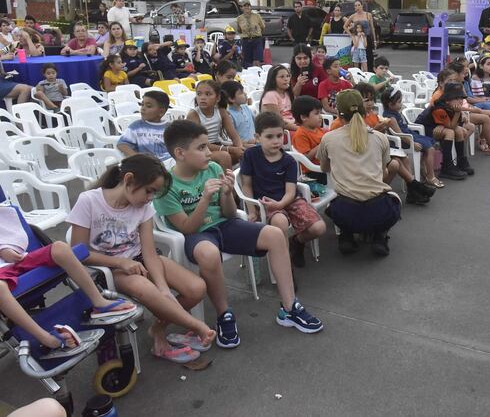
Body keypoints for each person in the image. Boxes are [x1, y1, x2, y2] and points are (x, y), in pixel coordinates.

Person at [154, 120, 323, 347]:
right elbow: (186, 228)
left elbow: (230, 214)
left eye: (207, 146)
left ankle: (289, 307)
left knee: (274, 234)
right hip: (196, 235)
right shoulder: (167, 186)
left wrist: (226, 194)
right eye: (202, 147)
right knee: (209, 253)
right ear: (180, 153)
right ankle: (224, 314)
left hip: (225, 225)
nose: (209, 152)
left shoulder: (212, 169)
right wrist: (204, 199)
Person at [69, 154, 215, 363]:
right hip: (107, 268)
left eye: (154, 193)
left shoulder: (143, 207)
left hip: (138, 260)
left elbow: (149, 252)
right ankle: (196, 326)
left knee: (196, 288)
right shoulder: (90, 201)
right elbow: (78, 252)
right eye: (149, 190)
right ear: (129, 180)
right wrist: (121, 262)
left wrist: (164, 288)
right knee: (145, 288)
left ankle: (157, 329)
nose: (150, 197)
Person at [0, 206, 136, 359]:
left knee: (60, 248)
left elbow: (6, 230)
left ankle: (99, 302)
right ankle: (47, 339)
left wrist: (5, 247)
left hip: (16, 260)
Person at [318, 90, 402, 256]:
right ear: (365, 112)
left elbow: (324, 168)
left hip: (345, 211)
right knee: (395, 200)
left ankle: (346, 236)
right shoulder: (379, 137)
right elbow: (385, 170)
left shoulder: (328, 138)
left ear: (339, 115)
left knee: (332, 205)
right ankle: (380, 236)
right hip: (379, 211)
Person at [241, 112, 327, 269]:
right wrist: (252, 211)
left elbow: (290, 192)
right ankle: (286, 267)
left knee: (319, 228)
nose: (276, 141)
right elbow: (246, 184)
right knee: (280, 222)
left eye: (279, 136)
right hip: (265, 203)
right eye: (269, 137)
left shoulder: (288, 160)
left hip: (288, 200)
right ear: (258, 137)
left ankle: (297, 242)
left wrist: (280, 204)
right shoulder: (250, 155)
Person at [381, 87, 441, 189]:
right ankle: (430, 176)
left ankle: (424, 170)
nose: (401, 104)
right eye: (399, 102)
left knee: (429, 142)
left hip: (409, 134)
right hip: (403, 140)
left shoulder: (394, 113)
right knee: (430, 148)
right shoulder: (391, 118)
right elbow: (399, 134)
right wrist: (412, 144)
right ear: (390, 104)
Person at [418, 83, 473, 180]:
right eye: (457, 98)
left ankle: (461, 161)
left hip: (438, 126)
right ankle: (446, 167)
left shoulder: (451, 107)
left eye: (461, 98)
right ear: (447, 100)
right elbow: (451, 127)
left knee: (459, 130)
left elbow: (454, 125)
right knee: (450, 132)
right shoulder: (439, 108)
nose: (460, 101)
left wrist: (458, 113)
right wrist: (458, 113)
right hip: (423, 130)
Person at [186, 79, 244, 170]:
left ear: (218, 98)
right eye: (199, 94)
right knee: (224, 157)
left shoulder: (221, 111)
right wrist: (231, 149)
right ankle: (227, 183)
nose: (202, 97)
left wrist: (240, 148)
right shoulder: (193, 115)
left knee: (249, 149)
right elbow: (199, 143)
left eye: (208, 94)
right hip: (199, 149)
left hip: (217, 145)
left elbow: (234, 136)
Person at [117, 91, 172, 163]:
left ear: (161, 112)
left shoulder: (169, 128)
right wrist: (137, 157)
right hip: (147, 164)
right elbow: (122, 144)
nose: (143, 108)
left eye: (148, 106)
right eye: (142, 105)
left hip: (168, 162)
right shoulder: (136, 126)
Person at [291, 95, 328, 184]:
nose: (320, 116)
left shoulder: (318, 129)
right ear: (304, 117)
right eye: (316, 113)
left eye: (320, 113)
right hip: (313, 172)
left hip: (324, 165)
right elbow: (306, 158)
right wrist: (323, 143)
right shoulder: (300, 134)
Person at [260, 64, 297, 131]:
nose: (286, 79)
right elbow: (278, 121)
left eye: (288, 76)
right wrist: (300, 129)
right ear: (273, 80)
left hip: (292, 126)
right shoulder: (270, 95)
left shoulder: (287, 93)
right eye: (282, 77)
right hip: (280, 130)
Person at [343, 0, 377, 69]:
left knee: (368, 58)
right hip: (356, 39)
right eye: (355, 6)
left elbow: (372, 28)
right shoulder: (353, 16)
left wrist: (374, 40)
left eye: (359, 5)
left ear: (362, 6)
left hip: (366, 38)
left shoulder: (368, 15)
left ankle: (368, 75)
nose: (357, 7)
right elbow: (345, 26)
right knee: (356, 59)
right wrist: (351, 35)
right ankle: (357, 76)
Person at [221, 80, 256, 146]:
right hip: (242, 146)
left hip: (255, 142)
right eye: (241, 93)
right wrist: (246, 143)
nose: (245, 94)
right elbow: (230, 139)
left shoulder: (245, 107)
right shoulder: (228, 115)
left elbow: (255, 124)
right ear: (231, 99)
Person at [235, 0, 265, 67]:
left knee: (257, 61)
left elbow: (262, 27)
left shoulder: (257, 16)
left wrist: (257, 33)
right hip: (246, 41)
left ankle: (258, 74)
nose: (246, 7)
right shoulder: (239, 18)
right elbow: (239, 30)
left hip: (256, 40)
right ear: (241, 8)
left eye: (248, 5)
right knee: (247, 61)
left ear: (250, 7)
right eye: (244, 6)